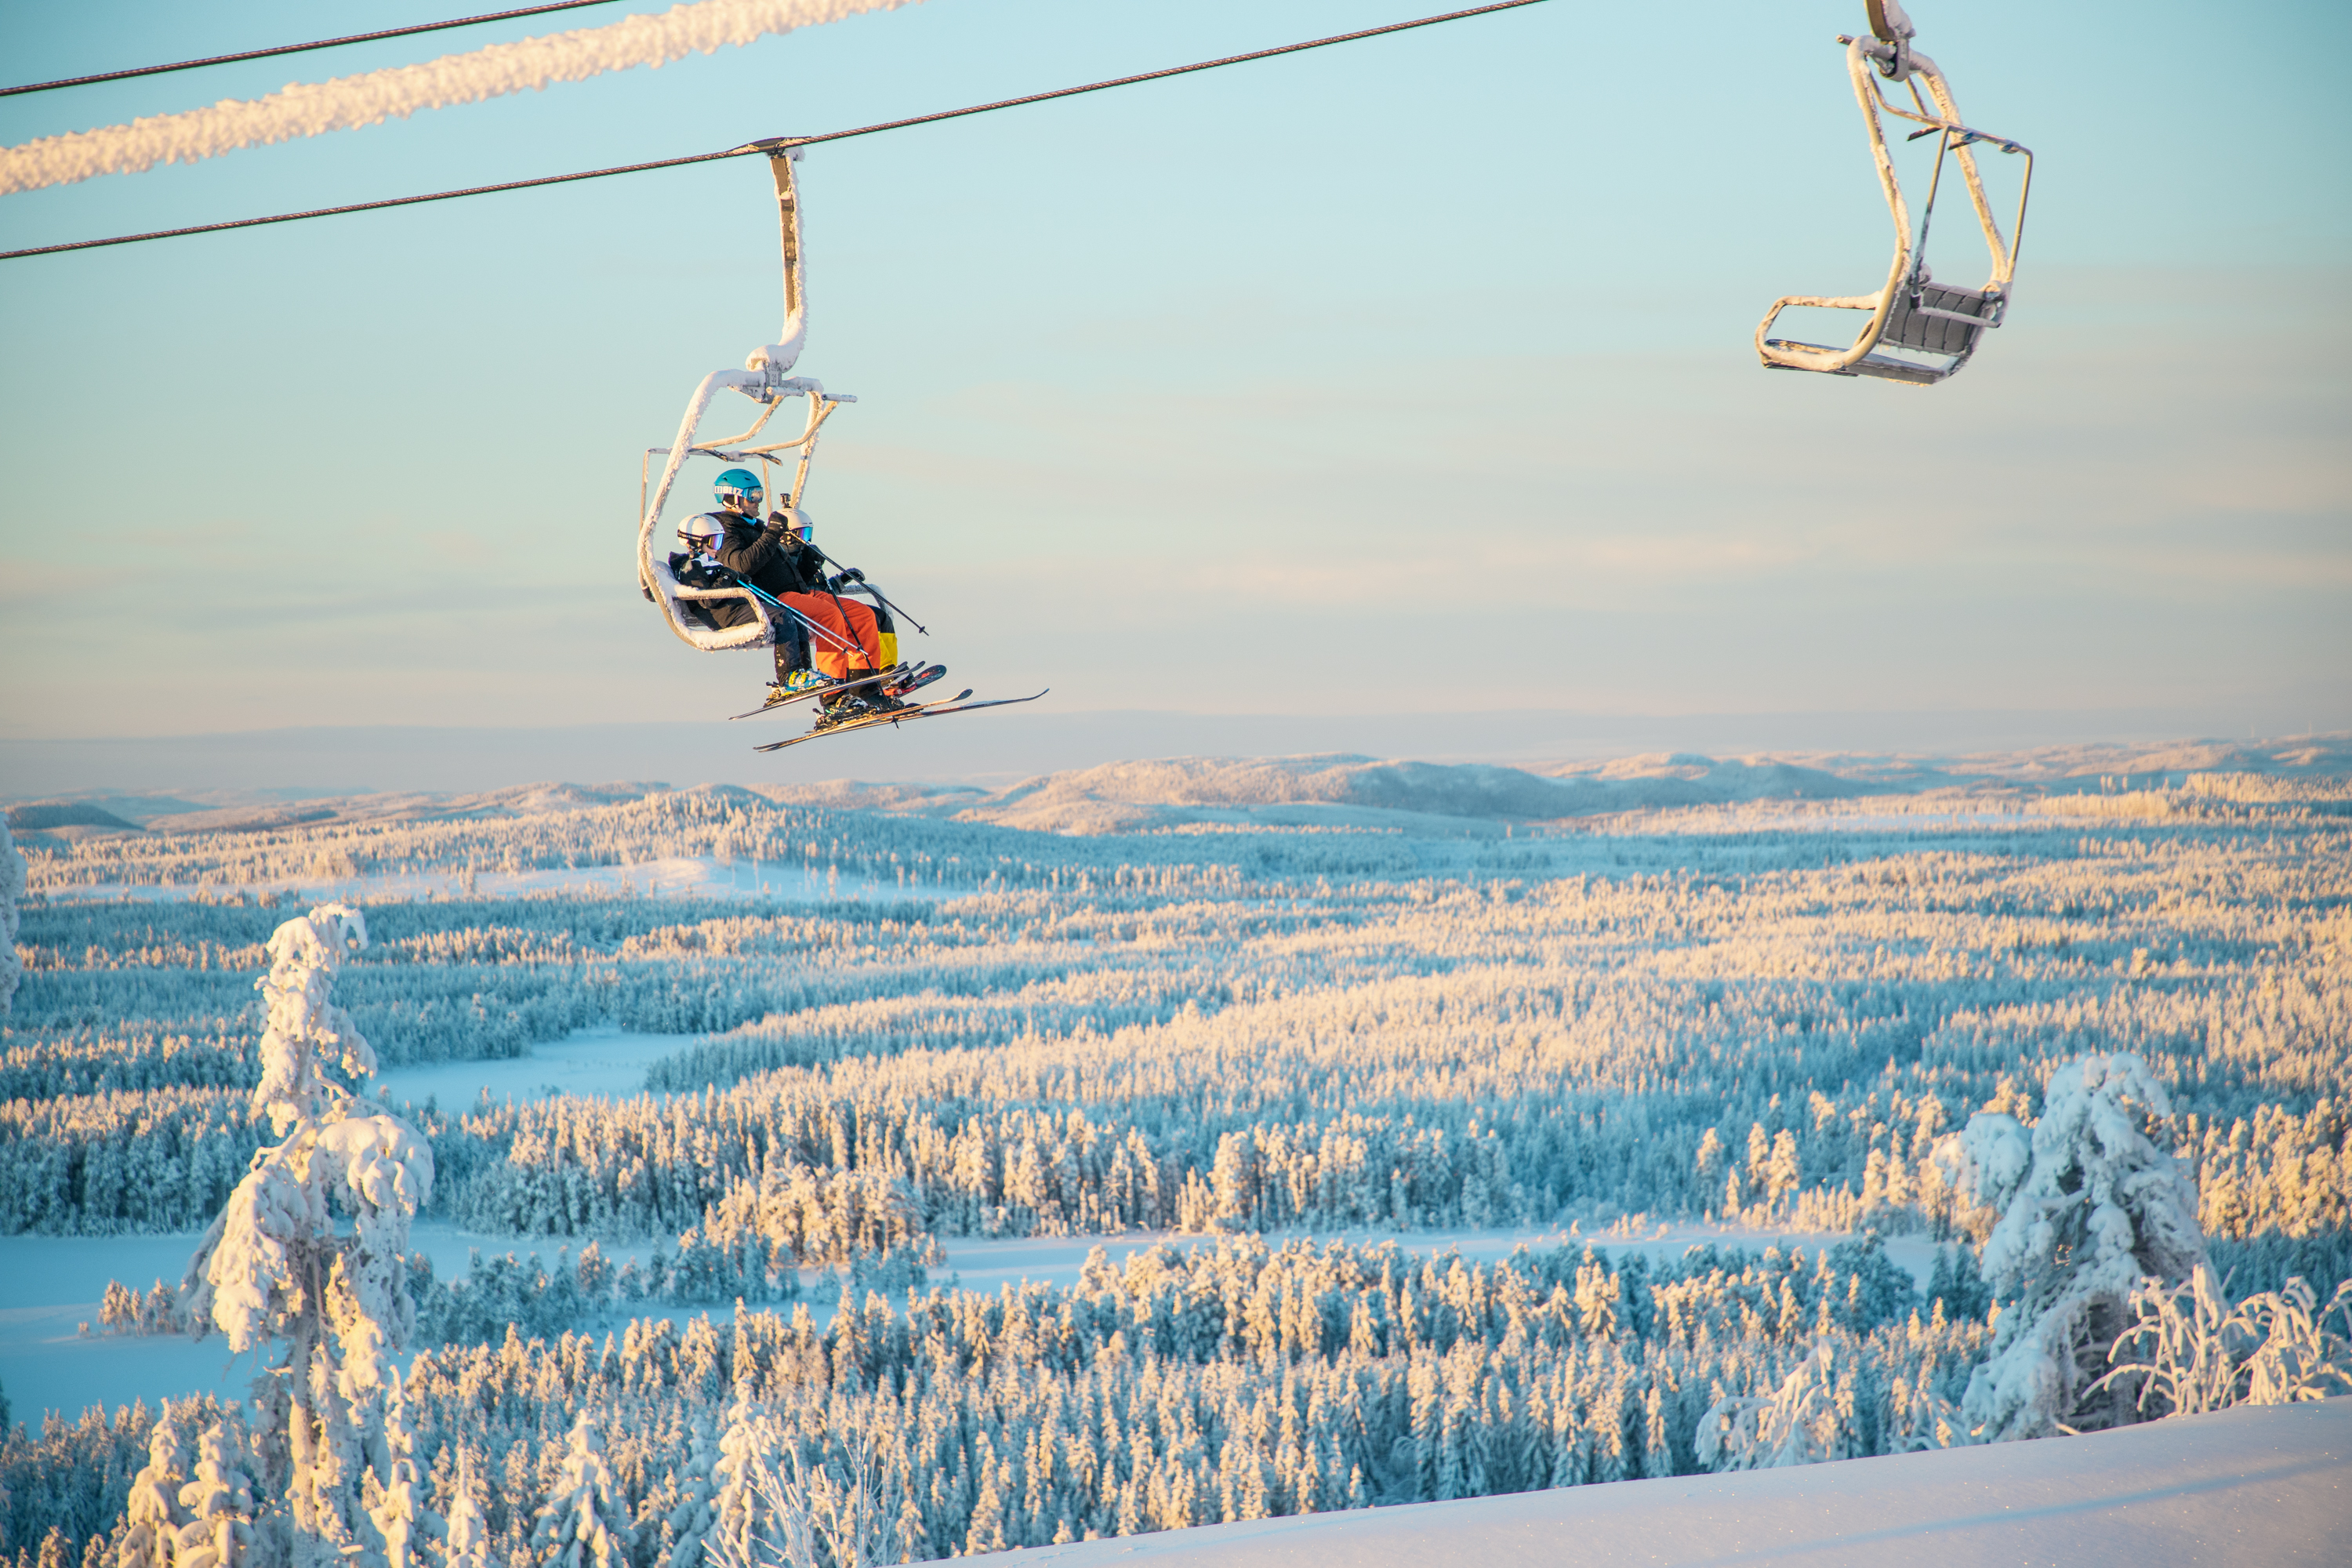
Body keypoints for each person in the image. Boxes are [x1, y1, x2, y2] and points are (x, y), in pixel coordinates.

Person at [672, 469, 902, 723]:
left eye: (759, 494)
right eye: (753, 495)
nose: (758, 501)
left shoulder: (756, 526)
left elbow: (779, 563)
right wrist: (771, 535)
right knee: (830, 616)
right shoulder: (725, 529)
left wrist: (808, 562)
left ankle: (867, 690)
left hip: (801, 591)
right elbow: (740, 565)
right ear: (733, 498)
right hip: (776, 597)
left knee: (863, 615)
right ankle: (835, 698)